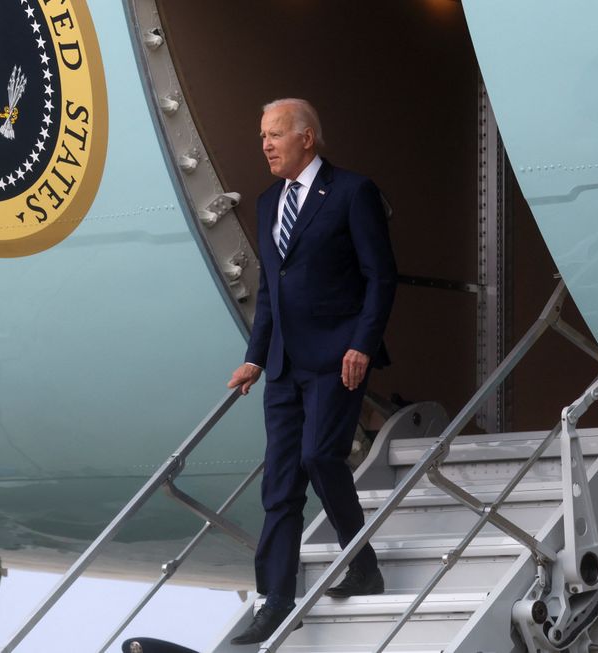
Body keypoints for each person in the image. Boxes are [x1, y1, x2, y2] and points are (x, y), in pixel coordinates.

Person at [227, 98, 397, 645]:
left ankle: (362, 561)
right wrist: (255, 356)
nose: (266, 145)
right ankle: (275, 598)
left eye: (274, 135)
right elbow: (271, 295)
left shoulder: (351, 192)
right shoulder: (267, 201)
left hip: (337, 358)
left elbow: (380, 277)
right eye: (261, 136)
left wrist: (362, 344)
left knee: (320, 455)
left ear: (307, 137)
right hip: (283, 366)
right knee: (280, 484)